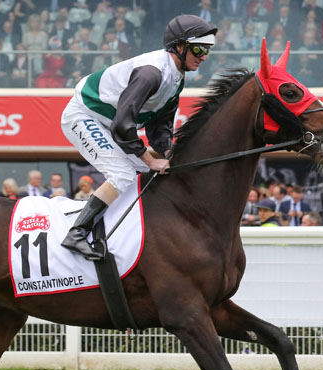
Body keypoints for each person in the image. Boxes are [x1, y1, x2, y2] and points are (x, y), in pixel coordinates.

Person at [60, 14, 217, 260]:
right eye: (198, 49)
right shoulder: (151, 73)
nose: (203, 56)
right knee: (122, 174)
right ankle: (77, 233)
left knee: (144, 176)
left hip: (109, 123)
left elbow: (159, 127)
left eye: (207, 50)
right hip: (83, 116)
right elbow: (123, 125)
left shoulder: (177, 78)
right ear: (179, 46)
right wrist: (150, 158)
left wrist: (169, 155)